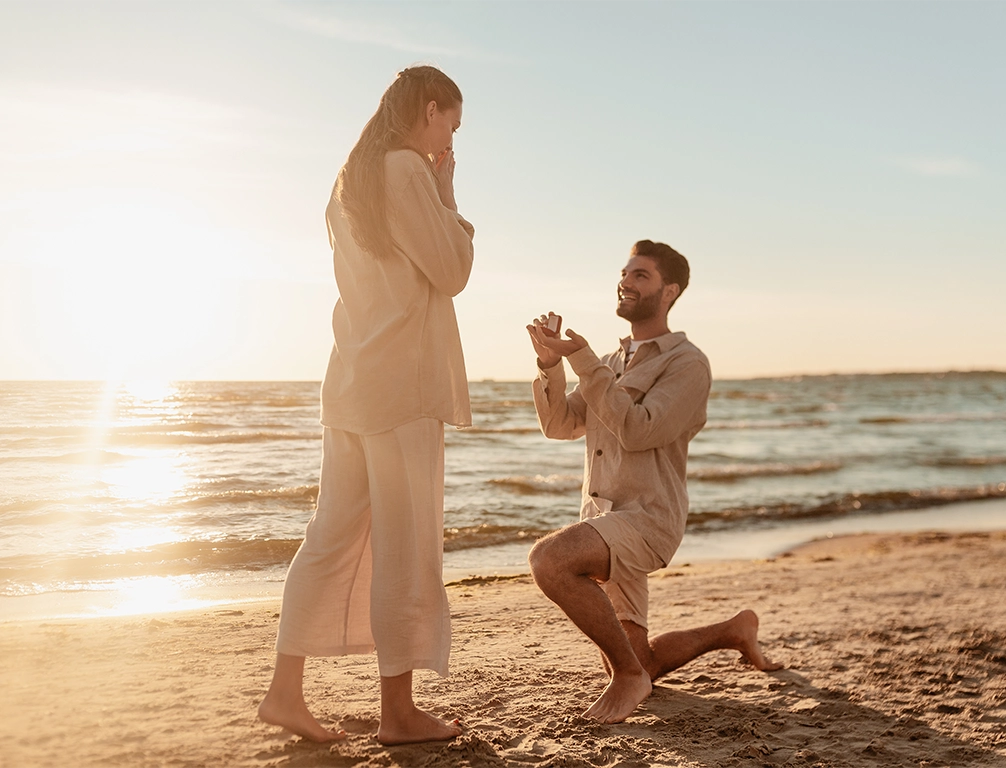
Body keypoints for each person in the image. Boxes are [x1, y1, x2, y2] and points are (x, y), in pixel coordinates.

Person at [259, 66, 473, 745]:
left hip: (351, 381)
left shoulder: (348, 179)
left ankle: (285, 692)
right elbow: (454, 270)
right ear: (430, 110)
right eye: (452, 125)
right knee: (406, 552)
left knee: (328, 538)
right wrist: (446, 191)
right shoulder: (408, 170)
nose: (450, 140)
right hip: (401, 387)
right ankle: (399, 714)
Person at [525, 240, 782, 725]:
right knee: (643, 658)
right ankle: (734, 630)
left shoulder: (687, 364)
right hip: (603, 519)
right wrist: (550, 364)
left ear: (670, 291)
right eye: (624, 273)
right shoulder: (611, 362)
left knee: (550, 560)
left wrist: (583, 362)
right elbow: (559, 424)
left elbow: (640, 430)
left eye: (640, 275)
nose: (625, 281)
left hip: (647, 522)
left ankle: (628, 678)